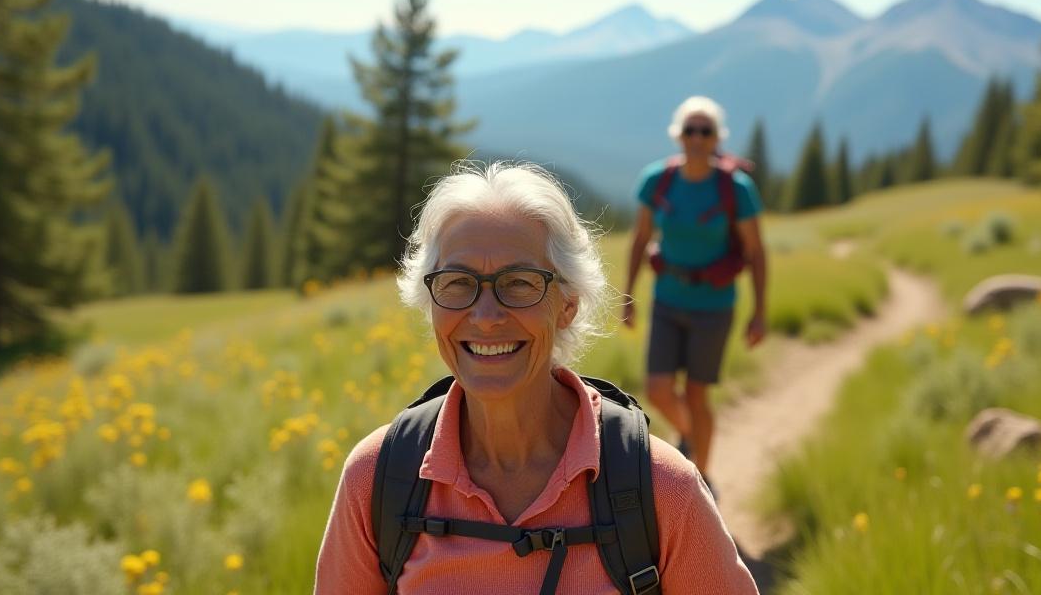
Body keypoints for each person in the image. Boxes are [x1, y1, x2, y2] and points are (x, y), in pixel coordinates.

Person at [314, 161, 758, 594]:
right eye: (457, 282)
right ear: (430, 302)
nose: (486, 317)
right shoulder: (377, 481)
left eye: (520, 283)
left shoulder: (663, 490)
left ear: (568, 305)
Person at [622, 96, 768, 481]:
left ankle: (700, 475)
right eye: (690, 130)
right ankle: (691, 436)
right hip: (667, 299)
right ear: (678, 135)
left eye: (705, 131)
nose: (697, 137)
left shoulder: (736, 188)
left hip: (714, 305)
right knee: (658, 389)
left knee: (698, 393)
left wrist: (760, 312)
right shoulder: (657, 181)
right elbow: (639, 240)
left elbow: (755, 251)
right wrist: (628, 296)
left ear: (716, 138)